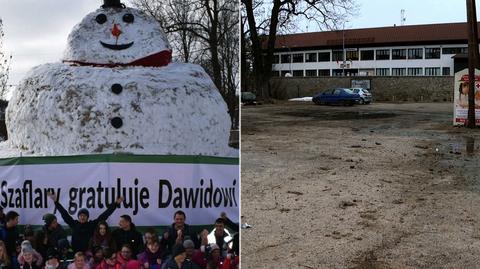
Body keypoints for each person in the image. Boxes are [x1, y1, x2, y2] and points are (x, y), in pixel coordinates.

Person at [48, 192, 124, 252]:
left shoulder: (92, 224)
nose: (82, 217)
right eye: (80, 215)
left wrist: (116, 204)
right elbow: (64, 214)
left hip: (89, 253)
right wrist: (56, 202)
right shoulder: (74, 224)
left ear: (87, 217)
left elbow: (105, 215)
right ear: (78, 217)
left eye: (84, 215)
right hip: (76, 253)